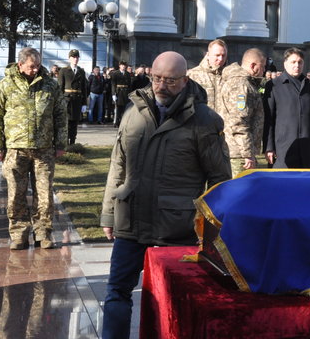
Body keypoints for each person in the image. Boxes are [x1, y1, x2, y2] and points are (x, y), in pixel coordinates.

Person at [100, 51, 230, 339]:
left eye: (170, 80)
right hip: (130, 219)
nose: (161, 85)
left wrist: (212, 228)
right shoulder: (134, 112)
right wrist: (108, 212)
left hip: (177, 226)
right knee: (117, 291)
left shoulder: (205, 120)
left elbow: (220, 180)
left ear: (185, 80)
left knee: (172, 299)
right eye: (157, 78)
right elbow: (117, 166)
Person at [0, 47, 67, 249]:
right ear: (20, 64)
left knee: (44, 194)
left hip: (44, 149)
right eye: (32, 66)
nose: (35, 70)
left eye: (38, 66)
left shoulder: (50, 85)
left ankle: (43, 233)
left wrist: (60, 144)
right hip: (16, 149)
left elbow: (60, 115)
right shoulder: (6, 85)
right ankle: (18, 234)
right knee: (16, 194)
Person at [263, 48, 310, 168]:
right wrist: (269, 147)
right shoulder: (274, 85)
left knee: (305, 185)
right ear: (285, 63)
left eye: (300, 62)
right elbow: (268, 119)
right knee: (281, 185)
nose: (297, 65)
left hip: (307, 147)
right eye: (293, 62)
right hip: (283, 148)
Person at [217, 48, 266, 176]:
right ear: (253, 66)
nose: (264, 70)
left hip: (236, 151)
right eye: (263, 66)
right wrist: (248, 154)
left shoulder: (239, 81)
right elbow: (239, 122)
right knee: (240, 192)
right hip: (239, 154)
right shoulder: (242, 85)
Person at [187, 39, 228, 112]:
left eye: (223, 55)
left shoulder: (230, 75)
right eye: (217, 55)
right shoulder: (193, 75)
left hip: (224, 122)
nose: (221, 59)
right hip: (203, 121)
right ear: (208, 55)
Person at [58, 49, 88, 145]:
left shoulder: (81, 71)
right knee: (66, 124)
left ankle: (73, 143)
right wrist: (59, 102)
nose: (75, 59)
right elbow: (60, 88)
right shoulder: (63, 71)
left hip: (77, 100)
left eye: (77, 57)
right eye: (73, 57)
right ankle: (65, 143)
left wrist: (84, 103)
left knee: (74, 124)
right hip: (67, 100)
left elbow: (84, 88)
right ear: (69, 58)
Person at [109, 61, 132, 126]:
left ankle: (123, 122)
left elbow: (129, 85)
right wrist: (113, 94)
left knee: (125, 108)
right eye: (122, 65)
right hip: (118, 92)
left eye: (124, 65)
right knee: (117, 108)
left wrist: (130, 94)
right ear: (119, 66)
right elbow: (113, 84)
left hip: (125, 92)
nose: (123, 66)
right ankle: (116, 122)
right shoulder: (115, 73)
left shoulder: (127, 74)